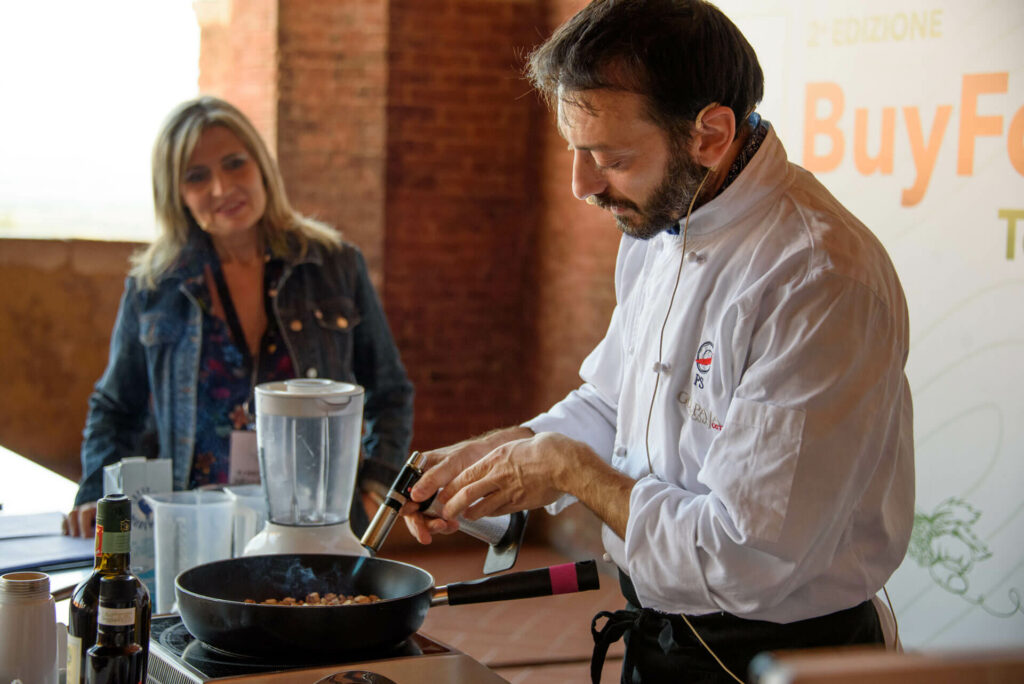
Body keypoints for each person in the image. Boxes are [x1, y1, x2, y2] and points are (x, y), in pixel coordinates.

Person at [401, 1, 914, 682]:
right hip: (660, 637)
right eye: (575, 152)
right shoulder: (663, 223)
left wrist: (568, 471)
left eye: (610, 157)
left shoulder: (818, 278)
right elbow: (614, 403)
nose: (582, 186)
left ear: (709, 133)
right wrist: (507, 448)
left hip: (780, 655)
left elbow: (744, 555)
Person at [66, 95, 413, 539]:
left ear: (261, 165)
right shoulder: (154, 287)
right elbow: (115, 409)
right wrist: (94, 493)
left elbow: (389, 391)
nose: (221, 188)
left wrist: (373, 491)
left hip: (316, 525)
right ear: (176, 194)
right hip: (194, 527)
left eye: (234, 164)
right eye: (196, 176)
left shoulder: (333, 265)